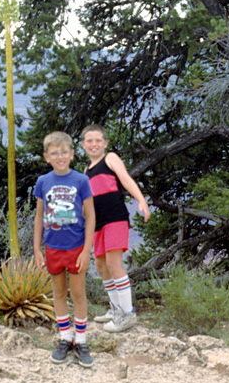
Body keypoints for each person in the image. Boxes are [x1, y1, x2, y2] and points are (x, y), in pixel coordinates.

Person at [33, 131, 96, 368]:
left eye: (64, 152)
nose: (60, 156)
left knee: (78, 294)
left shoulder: (81, 181)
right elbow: (39, 216)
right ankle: (65, 338)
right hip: (52, 248)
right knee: (58, 293)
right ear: (46, 157)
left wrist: (86, 250)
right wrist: (37, 250)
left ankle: (81, 340)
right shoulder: (43, 182)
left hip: (76, 247)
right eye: (54, 153)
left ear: (72, 154)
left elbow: (90, 216)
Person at [82, 124, 150, 333]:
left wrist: (141, 200)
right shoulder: (86, 171)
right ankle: (115, 309)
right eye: (89, 141)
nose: (94, 144)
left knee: (113, 262)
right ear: (84, 145)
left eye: (98, 140)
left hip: (115, 218)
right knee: (101, 265)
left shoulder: (110, 158)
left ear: (105, 143)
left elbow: (126, 179)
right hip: (97, 223)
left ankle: (127, 313)